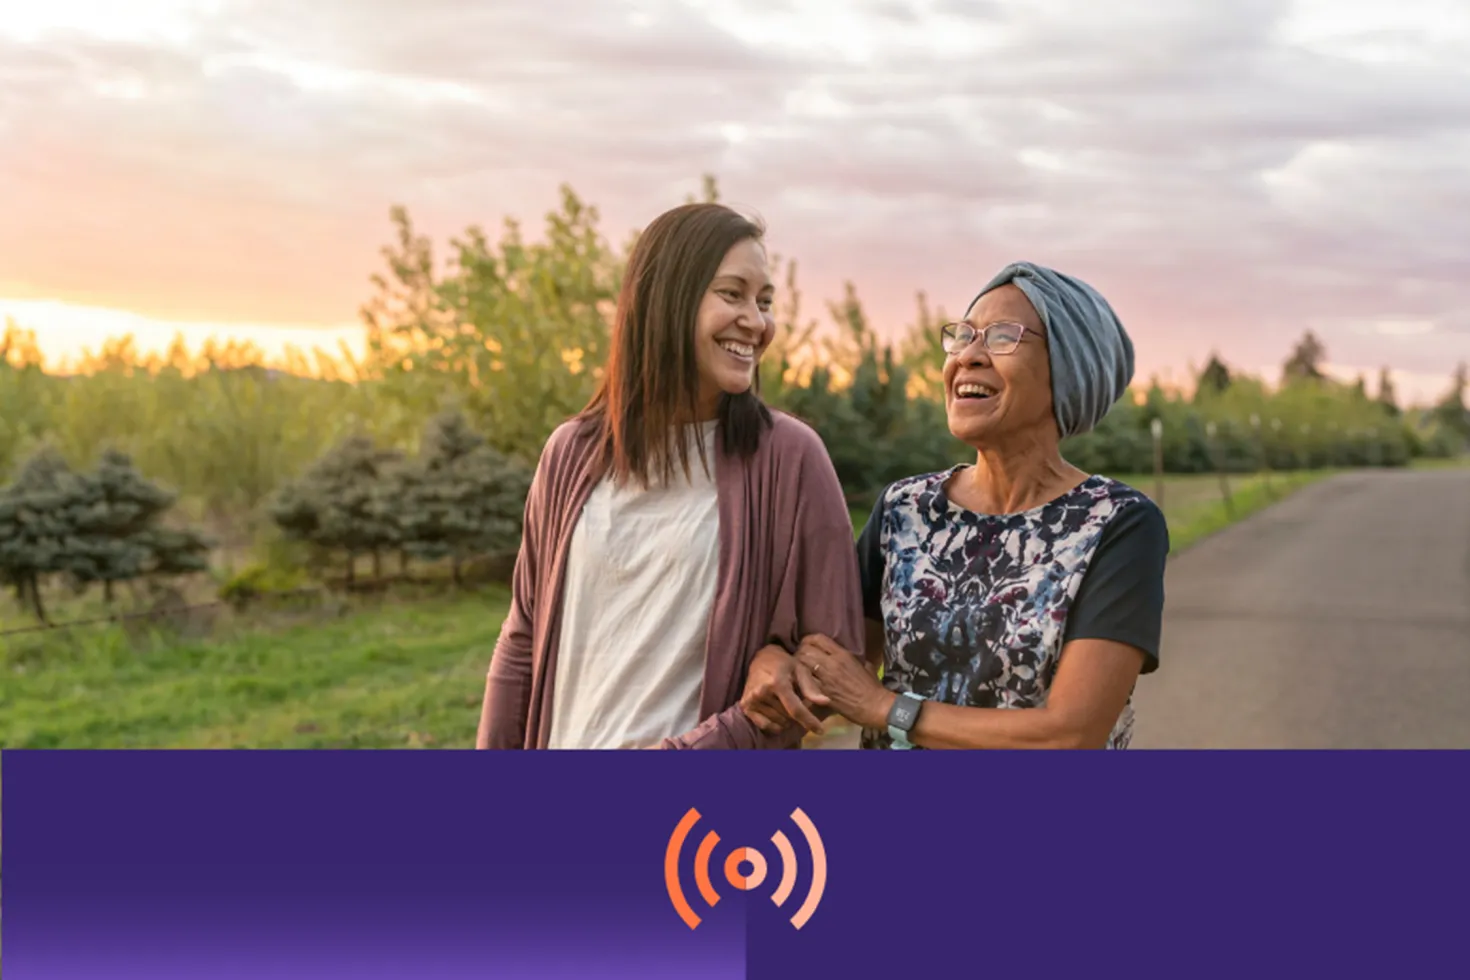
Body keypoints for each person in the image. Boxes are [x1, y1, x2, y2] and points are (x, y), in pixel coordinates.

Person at [475, 202, 863, 750]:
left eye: (764, 301)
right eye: (732, 294)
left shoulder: (789, 458)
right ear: (666, 299)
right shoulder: (570, 454)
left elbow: (830, 663)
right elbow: (521, 640)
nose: (756, 321)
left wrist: (709, 742)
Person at [782, 261, 1168, 749]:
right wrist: (775, 662)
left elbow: (1070, 735)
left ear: (1069, 371)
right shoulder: (905, 509)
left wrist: (887, 708)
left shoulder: (1117, 524)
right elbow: (834, 665)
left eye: (1002, 336)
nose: (969, 356)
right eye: (964, 336)